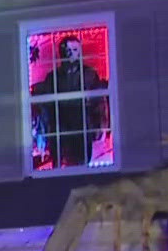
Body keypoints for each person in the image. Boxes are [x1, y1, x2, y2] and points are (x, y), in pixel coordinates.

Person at [29, 34, 110, 170]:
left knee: (82, 162)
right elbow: (46, 104)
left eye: (74, 50)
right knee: (59, 164)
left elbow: (99, 102)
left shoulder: (89, 74)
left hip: (82, 124)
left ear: (79, 53)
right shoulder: (53, 77)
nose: (70, 54)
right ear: (61, 54)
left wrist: (101, 126)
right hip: (61, 126)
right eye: (66, 51)